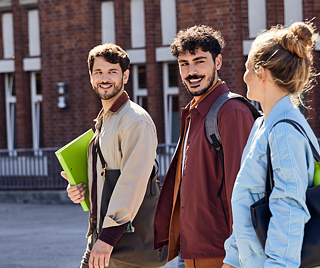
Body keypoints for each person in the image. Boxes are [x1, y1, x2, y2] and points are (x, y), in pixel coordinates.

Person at [153, 25, 255, 268]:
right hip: (191, 249)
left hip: (222, 254)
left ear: (218, 62)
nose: (192, 71)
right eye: (184, 64)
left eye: (199, 61)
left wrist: (237, 255)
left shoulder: (232, 112)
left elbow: (243, 191)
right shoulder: (193, 112)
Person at [222, 22, 320, 268]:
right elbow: (249, 200)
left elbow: (288, 209)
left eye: (247, 68)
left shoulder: (284, 130)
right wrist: (232, 260)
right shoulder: (264, 124)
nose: (243, 77)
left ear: (262, 72)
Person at [61, 43, 158, 268]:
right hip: (101, 236)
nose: (105, 78)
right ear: (91, 77)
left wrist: (107, 238)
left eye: (112, 72)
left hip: (122, 241)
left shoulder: (135, 120)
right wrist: (80, 190)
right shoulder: (105, 119)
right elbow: (106, 176)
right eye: (99, 72)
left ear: (125, 76)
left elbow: (132, 182)